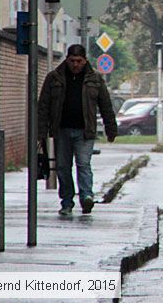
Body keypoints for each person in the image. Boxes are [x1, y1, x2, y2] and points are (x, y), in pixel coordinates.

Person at [38, 45, 117, 216]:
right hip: (62, 130)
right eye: (72, 61)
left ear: (85, 60)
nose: (75, 65)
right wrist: (41, 132)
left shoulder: (95, 79)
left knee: (83, 164)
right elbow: (43, 106)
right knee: (63, 167)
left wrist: (111, 129)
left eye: (79, 61)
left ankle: (86, 196)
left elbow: (105, 105)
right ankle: (66, 201)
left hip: (85, 131)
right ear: (67, 59)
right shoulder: (54, 78)